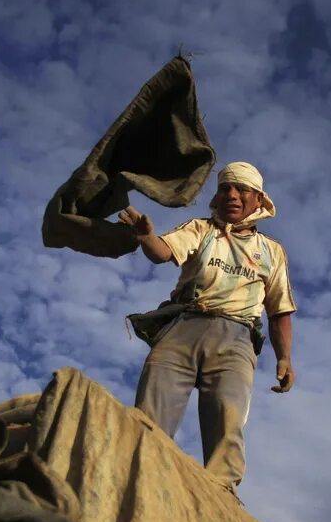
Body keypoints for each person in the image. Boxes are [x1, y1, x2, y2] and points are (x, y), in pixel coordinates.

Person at [119, 161, 296, 494]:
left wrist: (284, 358)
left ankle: (220, 494)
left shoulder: (271, 252)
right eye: (225, 188)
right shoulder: (201, 229)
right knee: (151, 411)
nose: (231, 195)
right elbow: (163, 252)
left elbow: (279, 310)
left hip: (236, 338)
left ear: (258, 199)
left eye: (241, 189)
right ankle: (139, 476)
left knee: (228, 418)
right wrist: (146, 237)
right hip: (184, 327)